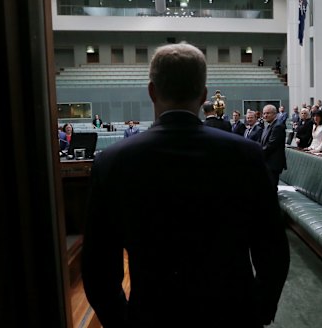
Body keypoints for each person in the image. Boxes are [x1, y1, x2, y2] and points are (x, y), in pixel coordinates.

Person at [81, 42, 290, 328]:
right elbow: (273, 250)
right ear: (203, 95)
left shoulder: (111, 162)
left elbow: (98, 269)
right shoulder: (246, 155)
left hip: (153, 316)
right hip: (232, 315)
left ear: (151, 91)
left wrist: (123, 322)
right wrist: (258, 311)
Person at [260, 104, 287, 188]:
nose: (265, 115)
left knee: (271, 189)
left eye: (268, 113)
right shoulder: (268, 125)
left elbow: (271, 145)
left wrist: (257, 153)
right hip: (267, 162)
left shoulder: (278, 126)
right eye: (264, 113)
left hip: (273, 163)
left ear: (275, 114)